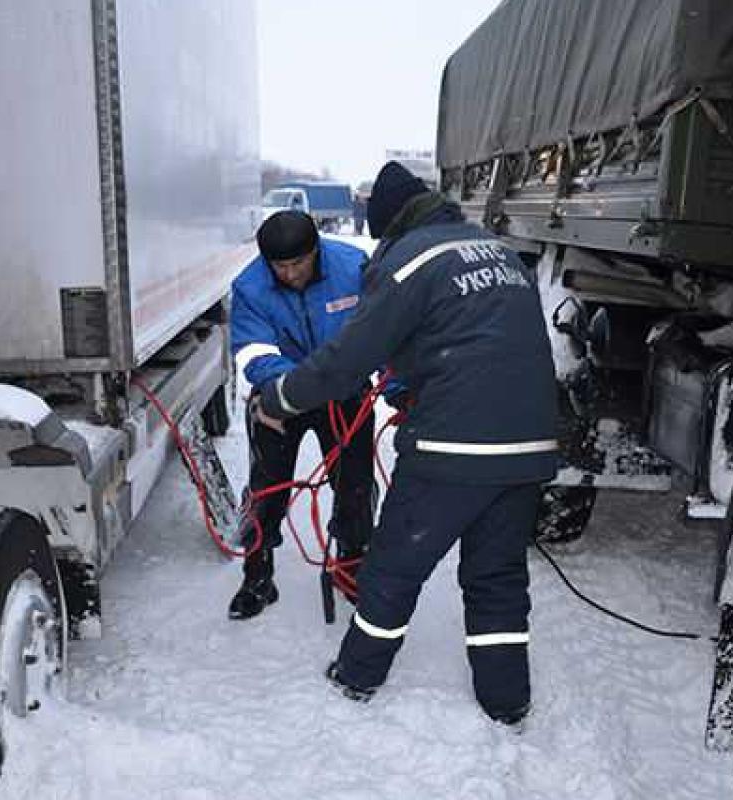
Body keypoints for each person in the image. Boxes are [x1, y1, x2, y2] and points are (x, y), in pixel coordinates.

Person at [259, 161, 558, 726]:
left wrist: (278, 398)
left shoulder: (407, 260)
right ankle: (507, 700)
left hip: (454, 450)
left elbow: (347, 361)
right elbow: (480, 341)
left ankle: (358, 675)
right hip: (529, 446)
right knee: (496, 576)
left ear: (391, 226)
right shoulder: (496, 251)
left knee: (393, 566)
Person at [228, 210, 376, 620]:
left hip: (345, 395)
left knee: (356, 487)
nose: (289, 274)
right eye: (279, 267)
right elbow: (253, 351)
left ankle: (350, 567)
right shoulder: (250, 287)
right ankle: (257, 576)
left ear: (317, 251)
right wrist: (291, 390)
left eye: (297, 264)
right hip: (280, 400)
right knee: (267, 488)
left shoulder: (354, 269)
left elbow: (384, 331)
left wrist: (398, 390)